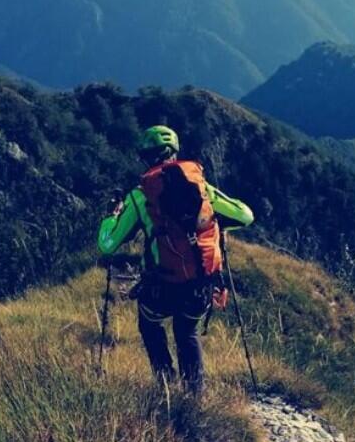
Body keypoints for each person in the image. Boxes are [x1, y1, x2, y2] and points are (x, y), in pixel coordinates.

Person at [97, 125, 254, 397]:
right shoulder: (201, 188)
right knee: (187, 332)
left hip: (161, 287)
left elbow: (108, 244)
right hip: (200, 286)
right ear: (175, 152)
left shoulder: (139, 196)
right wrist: (212, 222)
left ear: (146, 157)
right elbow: (245, 216)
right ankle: (195, 397)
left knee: (149, 323)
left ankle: (166, 385)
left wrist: (111, 216)